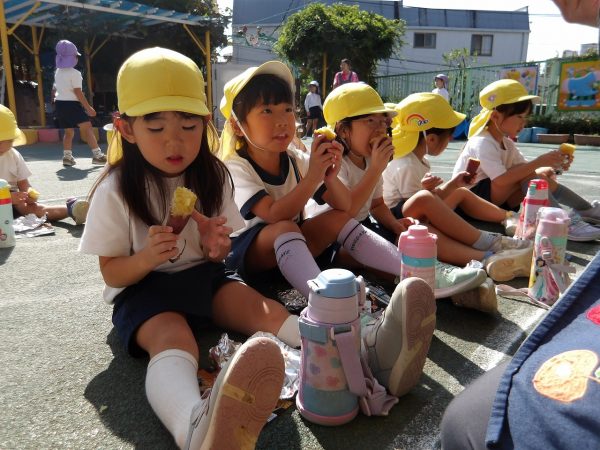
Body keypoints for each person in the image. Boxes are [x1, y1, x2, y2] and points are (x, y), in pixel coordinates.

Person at [79, 48, 289, 450]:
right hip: (144, 290)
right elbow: (111, 273)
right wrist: (146, 258)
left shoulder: (214, 175)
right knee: (175, 339)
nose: (174, 141)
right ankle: (193, 427)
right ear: (126, 129)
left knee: (262, 309)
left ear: (205, 124)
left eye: (188, 126)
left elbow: (220, 255)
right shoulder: (116, 189)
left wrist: (216, 248)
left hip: (204, 276)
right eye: (156, 127)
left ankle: (336, 344)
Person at [219, 60, 436, 398]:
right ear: (237, 124)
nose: (282, 121)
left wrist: (329, 175)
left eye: (287, 109)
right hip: (252, 257)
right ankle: (331, 307)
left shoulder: (296, 157)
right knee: (283, 225)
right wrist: (312, 178)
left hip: (292, 248)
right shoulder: (235, 166)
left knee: (335, 219)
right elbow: (273, 213)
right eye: (266, 111)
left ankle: (416, 278)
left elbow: (345, 207)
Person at [452, 79, 600, 242]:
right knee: (529, 175)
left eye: (526, 117)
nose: (524, 122)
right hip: (471, 203)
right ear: (495, 116)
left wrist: (553, 166)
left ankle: (585, 209)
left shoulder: (507, 143)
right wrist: (539, 162)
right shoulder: (482, 142)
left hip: (495, 200)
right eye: (519, 117)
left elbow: (526, 170)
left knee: (538, 177)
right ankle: (561, 222)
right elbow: (501, 180)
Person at [383, 93, 519, 237]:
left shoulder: (417, 160)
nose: (451, 140)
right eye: (449, 137)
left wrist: (454, 184)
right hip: (398, 220)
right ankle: (485, 238)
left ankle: (509, 216)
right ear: (431, 139)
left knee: (461, 191)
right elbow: (420, 204)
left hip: (411, 210)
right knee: (440, 218)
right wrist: (430, 192)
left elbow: (425, 199)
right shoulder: (407, 165)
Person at [0, 105, 88, 225]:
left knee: (35, 209)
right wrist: (6, 198)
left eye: (9, 141)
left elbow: (23, 183)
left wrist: (29, 194)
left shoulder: (13, 155)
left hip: (15, 200)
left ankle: (71, 210)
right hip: (5, 198)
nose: (4, 147)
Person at [53, 40, 106, 167]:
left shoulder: (57, 72)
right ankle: (97, 155)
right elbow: (78, 92)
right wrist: (88, 108)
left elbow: (54, 89)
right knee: (88, 128)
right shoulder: (75, 74)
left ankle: (67, 157)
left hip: (60, 104)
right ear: (73, 58)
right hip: (72, 104)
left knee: (69, 132)